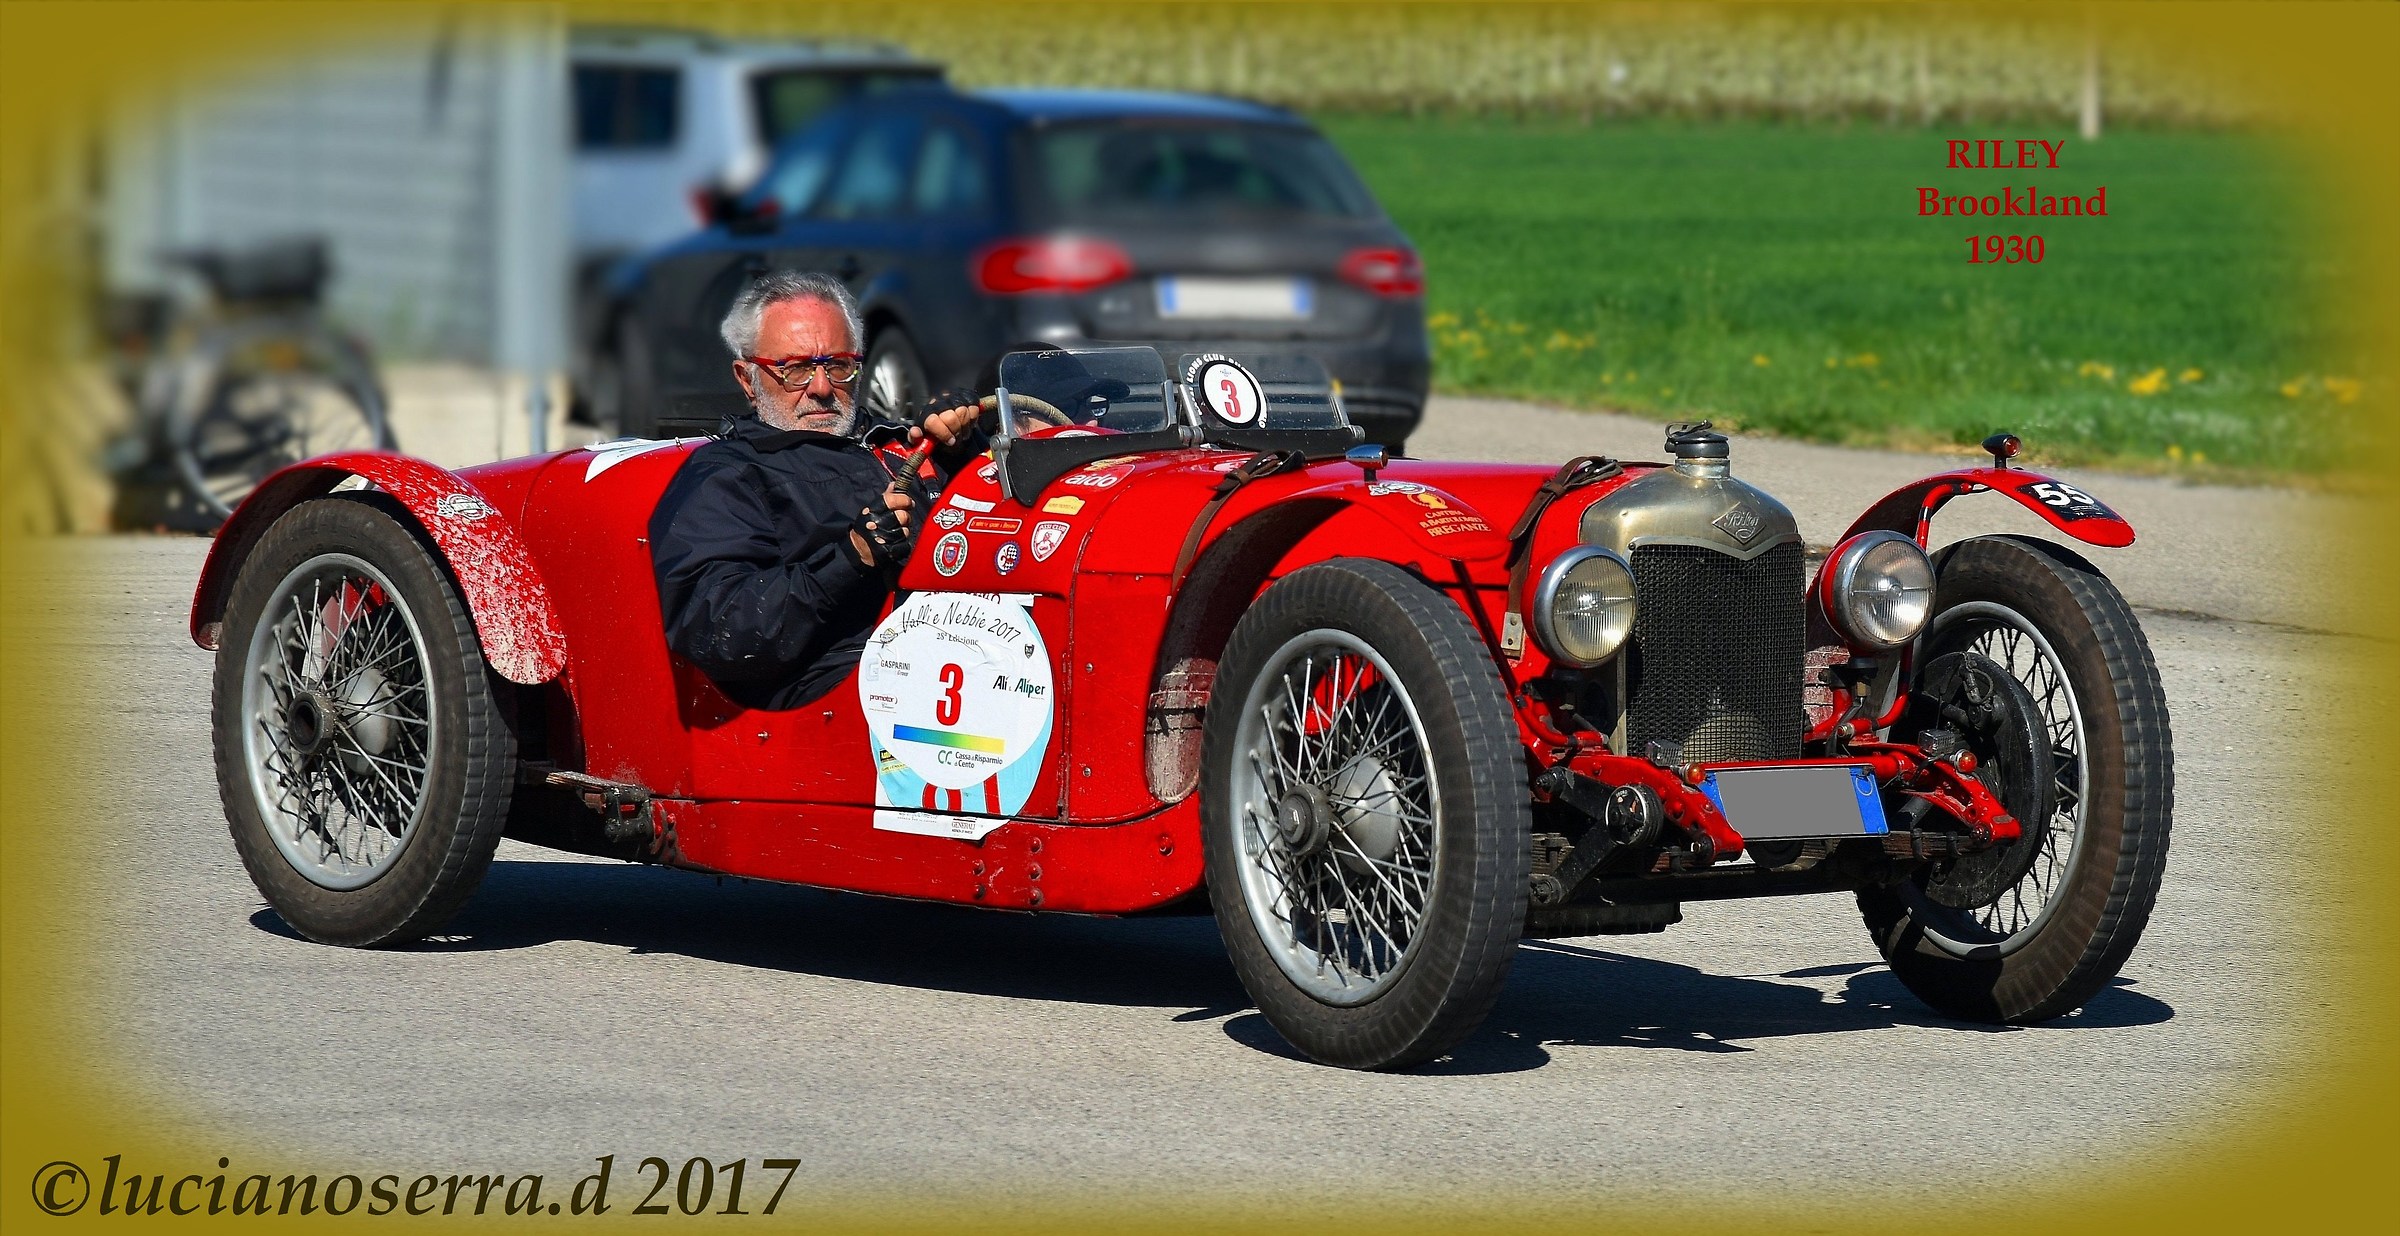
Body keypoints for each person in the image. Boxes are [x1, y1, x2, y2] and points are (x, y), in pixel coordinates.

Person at [648, 271, 981, 710]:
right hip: (843, 692)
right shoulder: (727, 474)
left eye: (837, 366)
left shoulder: (902, 442)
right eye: (797, 369)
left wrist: (968, 441)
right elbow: (722, 631)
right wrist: (850, 558)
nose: (822, 389)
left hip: (970, 656)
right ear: (748, 378)